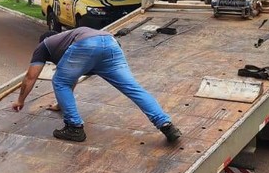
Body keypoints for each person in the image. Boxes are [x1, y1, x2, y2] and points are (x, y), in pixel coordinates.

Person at [11, 29, 181, 143]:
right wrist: (60, 104)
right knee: (132, 88)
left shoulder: (45, 45)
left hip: (87, 45)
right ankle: (166, 125)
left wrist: (20, 100)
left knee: (58, 80)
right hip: (111, 43)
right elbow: (72, 76)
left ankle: (74, 127)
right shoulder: (68, 39)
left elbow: (31, 76)